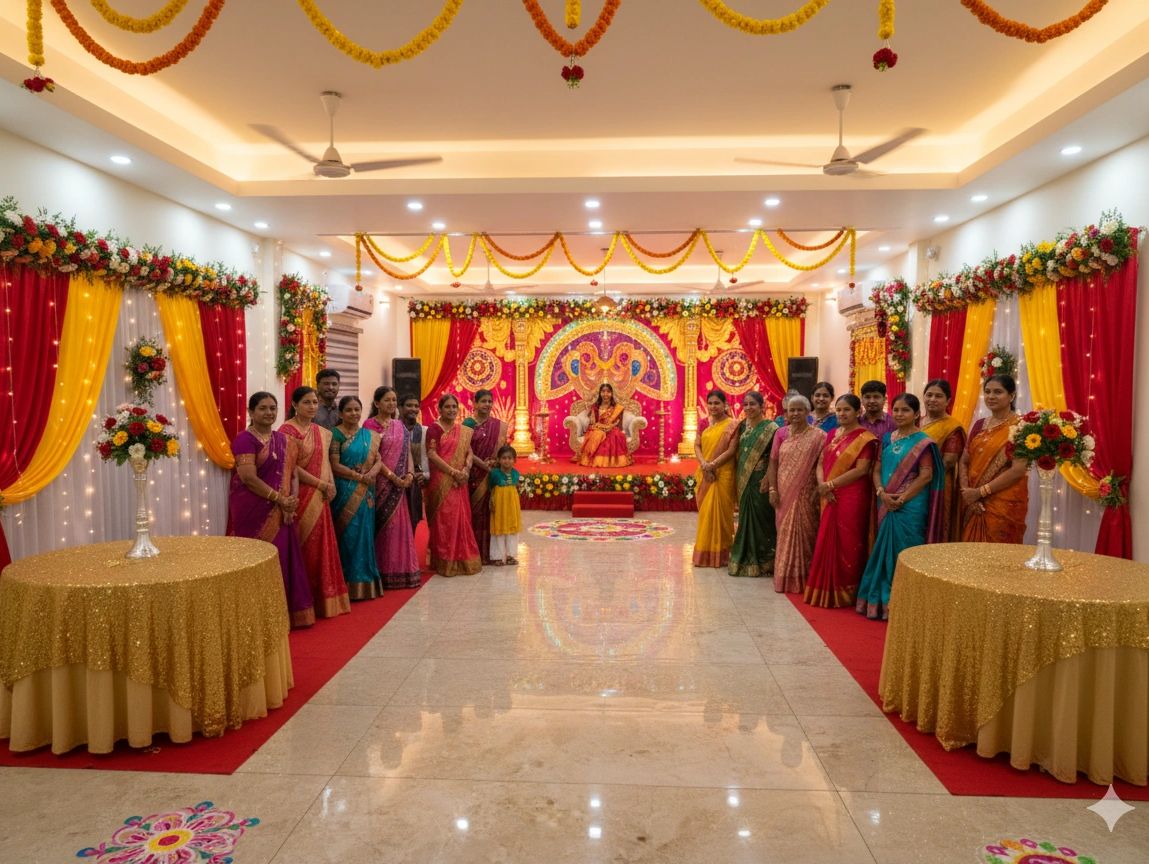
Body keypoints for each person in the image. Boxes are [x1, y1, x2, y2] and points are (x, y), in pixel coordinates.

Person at [227, 392, 314, 628]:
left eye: (273, 408)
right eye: (263, 408)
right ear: (251, 412)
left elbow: (293, 473)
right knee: (256, 558)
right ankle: (255, 615)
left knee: (281, 558)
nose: (269, 413)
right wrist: (279, 499)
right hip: (251, 508)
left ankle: (280, 612)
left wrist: (291, 501)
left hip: (281, 508)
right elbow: (248, 477)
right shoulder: (244, 439)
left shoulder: (284, 440)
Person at [856, 393, 944, 621]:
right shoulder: (886, 439)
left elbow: (926, 476)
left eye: (905, 410)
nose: (899, 414)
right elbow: (876, 469)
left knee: (907, 550)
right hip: (885, 500)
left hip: (911, 505)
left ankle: (907, 602)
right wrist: (882, 493)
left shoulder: (924, 441)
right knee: (883, 550)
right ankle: (879, 602)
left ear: (916, 414)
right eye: (896, 410)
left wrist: (902, 498)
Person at [279, 386, 350, 619]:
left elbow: (326, 462)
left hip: (321, 494)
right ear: (295, 404)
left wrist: (330, 484)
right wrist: (321, 484)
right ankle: (304, 600)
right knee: (305, 545)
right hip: (301, 493)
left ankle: (324, 600)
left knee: (322, 545)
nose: (312, 406)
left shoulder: (321, 431)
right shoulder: (287, 430)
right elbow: (292, 467)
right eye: (307, 402)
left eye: (314, 403)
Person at [804, 395, 877, 608]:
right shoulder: (832, 434)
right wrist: (823, 486)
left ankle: (846, 590)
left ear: (857, 412)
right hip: (829, 492)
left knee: (849, 541)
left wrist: (830, 485)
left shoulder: (866, 438)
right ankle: (824, 587)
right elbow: (820, 463)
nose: (842, 414)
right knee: (826, 536)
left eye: (846, 410)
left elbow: (862, 470)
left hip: (852, 495)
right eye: (839, 410)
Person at [958, 373, 1030, 543]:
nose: (990, 396)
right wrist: (967, 493)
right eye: (987, 391)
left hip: (1003, 503)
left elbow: (1018, 470)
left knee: (999, 555)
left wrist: (980, 492)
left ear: (1011, 396)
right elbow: (964, 460)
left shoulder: (1021, 426)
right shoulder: (979, 424)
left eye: (998, 392)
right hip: (971, 499)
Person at [766, 394, 826, 594]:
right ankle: (785, 578)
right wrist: (773, 489)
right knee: (784, 533)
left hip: (807, 492)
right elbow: (773, 462)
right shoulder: (781, 433)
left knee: (807, 533)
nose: (796, 413)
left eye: (800, 409)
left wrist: (820, 487)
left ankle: (805, 578)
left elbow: (822, 464)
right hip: (783, 491)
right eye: (792, 410)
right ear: (786, 413)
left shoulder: (819, 436)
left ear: (808, 412)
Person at [365, 387, 421, 589]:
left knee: (399, 528)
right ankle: (382, 572)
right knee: (382, 528)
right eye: (387, 400)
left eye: (394, 400)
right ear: (377, 403)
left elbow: (408, 454)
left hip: (401, 485)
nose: (391, 404)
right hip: (380, 484)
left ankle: (402, 571)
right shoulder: (369, 426)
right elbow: (371, 458)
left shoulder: (400, 426)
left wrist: (410, 474)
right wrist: (393, 478)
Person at [330, 395, 384, 600]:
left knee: (365, 533)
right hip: (345, 489)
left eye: (357, 409)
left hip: (366, 490)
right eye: (349, 410)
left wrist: (371, 474)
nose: (354, 413)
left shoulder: (369, 435)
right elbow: (334, 464)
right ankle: (347, 582)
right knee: (348, 536)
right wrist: (357, 476)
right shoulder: (336, 434)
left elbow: (378, 460)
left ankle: (366, 580)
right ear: (341, 413)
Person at [426, 393, 482, 576]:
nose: (451, 410)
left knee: (461, 518)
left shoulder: (462, 430)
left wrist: (465, 469)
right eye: (447, 407)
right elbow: (432, 454)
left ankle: (462, 559)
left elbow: (469, 452)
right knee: (445, 520)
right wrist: (453, 472)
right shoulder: (434, 429)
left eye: (454, 407)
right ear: (440, 409)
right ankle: (444, 560)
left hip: (460, 481)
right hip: (442, 479)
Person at [728, 391, 779, 578]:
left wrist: (768, 477)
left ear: (762, 406)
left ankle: (765, 560)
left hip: (760, 480)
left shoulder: (771, 427)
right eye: (746, 404)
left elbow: (776, 457)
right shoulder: (743, 426)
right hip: (743, 477)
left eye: (753, 404)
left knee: (761, 518)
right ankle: (745, 557)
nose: (748, 408)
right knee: (744, 517)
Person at [693, 390, 740, 568]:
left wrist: (712, 465)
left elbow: (731, 450)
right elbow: (696, 444)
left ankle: (722, 555)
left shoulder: (733, 425)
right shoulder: (703, 422)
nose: (713, 407)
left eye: (717, 403)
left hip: (723, 473)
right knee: (706, 513)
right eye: (710, 403)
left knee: (723, 515)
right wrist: (704, 463)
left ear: (724, 404)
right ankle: (704, 554)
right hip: (706, 473)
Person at [463, 389, 509, 564]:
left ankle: (491, 554)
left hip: (491, 475)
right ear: (475, 403)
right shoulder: (467, 424)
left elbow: (504, 449)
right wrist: (483, 465)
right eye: (483, 401)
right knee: (474, 515)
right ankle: (474, 553)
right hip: (472, 475)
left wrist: (497, 463)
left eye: (490, 401)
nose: (487, 404)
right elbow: (465, 450)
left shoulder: (497, 426)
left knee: (491, 513)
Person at [921, 379, 967, 541]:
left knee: (934, 526)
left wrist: (917, 478)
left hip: (937, 484)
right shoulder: (916, 422)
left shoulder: (952, 427)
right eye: (929, 395)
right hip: (910, 483)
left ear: (948, 401)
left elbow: (948, 462)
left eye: (938, 396)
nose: (932, 399)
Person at [575, 383, 633, 468]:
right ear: (600, 393)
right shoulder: (595, 407)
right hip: (598, 428)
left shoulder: (617, 408)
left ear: (612, 393)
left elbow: (619, 425)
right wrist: (600, 427)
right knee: (599, 434)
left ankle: (612, 462)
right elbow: (592, 423)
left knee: (614, 435)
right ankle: (595, 460)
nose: (605, 394)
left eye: (608, 391)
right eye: (603, 391)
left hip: (612, 428)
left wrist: (610, 427)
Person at [488, 445, 522, 566]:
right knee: (498, 529)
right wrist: (491, 501)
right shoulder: (494, 474)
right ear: (498, 459)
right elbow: (491, 488)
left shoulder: (516, 474)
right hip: (499, 505)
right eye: (503, 458)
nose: (506, 461)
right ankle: (497, 556)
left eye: (509, 458)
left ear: (515, 460)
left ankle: (510, 556)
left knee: (512, 529)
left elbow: (516, 488)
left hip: (512, 506)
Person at [400, 393, 429, 532]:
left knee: (413, 520)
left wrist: (425, 474)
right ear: (400, 408)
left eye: (416, 406)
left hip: (416, 481)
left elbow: (427, 457)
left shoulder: (424, 431)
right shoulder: (393, 429)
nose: (413, 409)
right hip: (395, 480)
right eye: (409, 405)